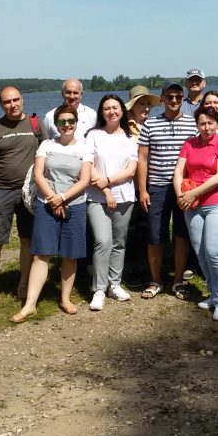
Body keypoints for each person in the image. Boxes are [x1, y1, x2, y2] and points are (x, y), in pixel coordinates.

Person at [12, 105, 93, 321]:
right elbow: (39, 175)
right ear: (55, 124)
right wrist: (53, 198)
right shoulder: (46, 145)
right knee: (41, 254)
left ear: (76, 123)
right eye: (62, 122)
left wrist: (63, 198)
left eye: (70, 121)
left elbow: (85, 180)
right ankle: (30, 304)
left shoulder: (84, 148)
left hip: (74, 206)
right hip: (46, 204)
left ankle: (65, 298)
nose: (66, 125)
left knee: (70, 254)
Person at [0, 86, 39, 307]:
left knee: (28, 240)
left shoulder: (35, 125)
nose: (12, 105)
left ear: (22, 99)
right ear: (1, 104)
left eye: (16, 100)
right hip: (2, 191)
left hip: (29, 192)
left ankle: (24, 284)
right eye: (7, 102)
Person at [137, 82, 199, 299]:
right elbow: (142, 158)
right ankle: (156, 281)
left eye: (178, 97)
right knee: (155, 235)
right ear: (162, 98)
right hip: (157, 186)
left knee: (182, 235)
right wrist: (143, 189)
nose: (174, 101)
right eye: (170, 97)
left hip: (183, 188)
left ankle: (178, 280)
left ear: (183, 99)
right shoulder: (150, 124)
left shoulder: (192, 124)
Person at [173, 105, 218, 321]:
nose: (206, 127)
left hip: (217, 203)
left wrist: (192, 194)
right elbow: (179, 171)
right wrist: (181, 195)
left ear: (217, 124)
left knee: (215, 253)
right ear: (197, 125)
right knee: (200, 253)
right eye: (202, 123)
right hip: (192, 205)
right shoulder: (189, 143)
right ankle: (213, 293)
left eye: (210, 123)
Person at [84, 95, 138, 312]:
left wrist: (109, 181)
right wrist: (106, 190)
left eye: (115, 108)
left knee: (119, 242)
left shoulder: (129, 138)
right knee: (102, 241)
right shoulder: (93, 135)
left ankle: (114, 284)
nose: (111, 112)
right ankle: (99, 288)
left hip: (125, 196)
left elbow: (131, 170)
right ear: (101, 112)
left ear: (122, 111)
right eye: (107, 108)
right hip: (97, 197)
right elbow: (88, 166)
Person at [124, 85, 160, 286]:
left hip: (151, 182)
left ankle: (149, 265)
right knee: (131, 227)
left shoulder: (154, 124)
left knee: (149, 226)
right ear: (132, 106)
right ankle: (131, 267)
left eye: (148, 104)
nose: (146, 108)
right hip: (129, 184)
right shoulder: (124, 127)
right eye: (141, 104)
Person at [42, 78, 98, 142]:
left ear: (81, 95)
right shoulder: (50, 116)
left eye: (75, 93)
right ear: (62, 94)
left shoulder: (92, 114)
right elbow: (45, 142)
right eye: (68, 92)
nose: (72, 96)